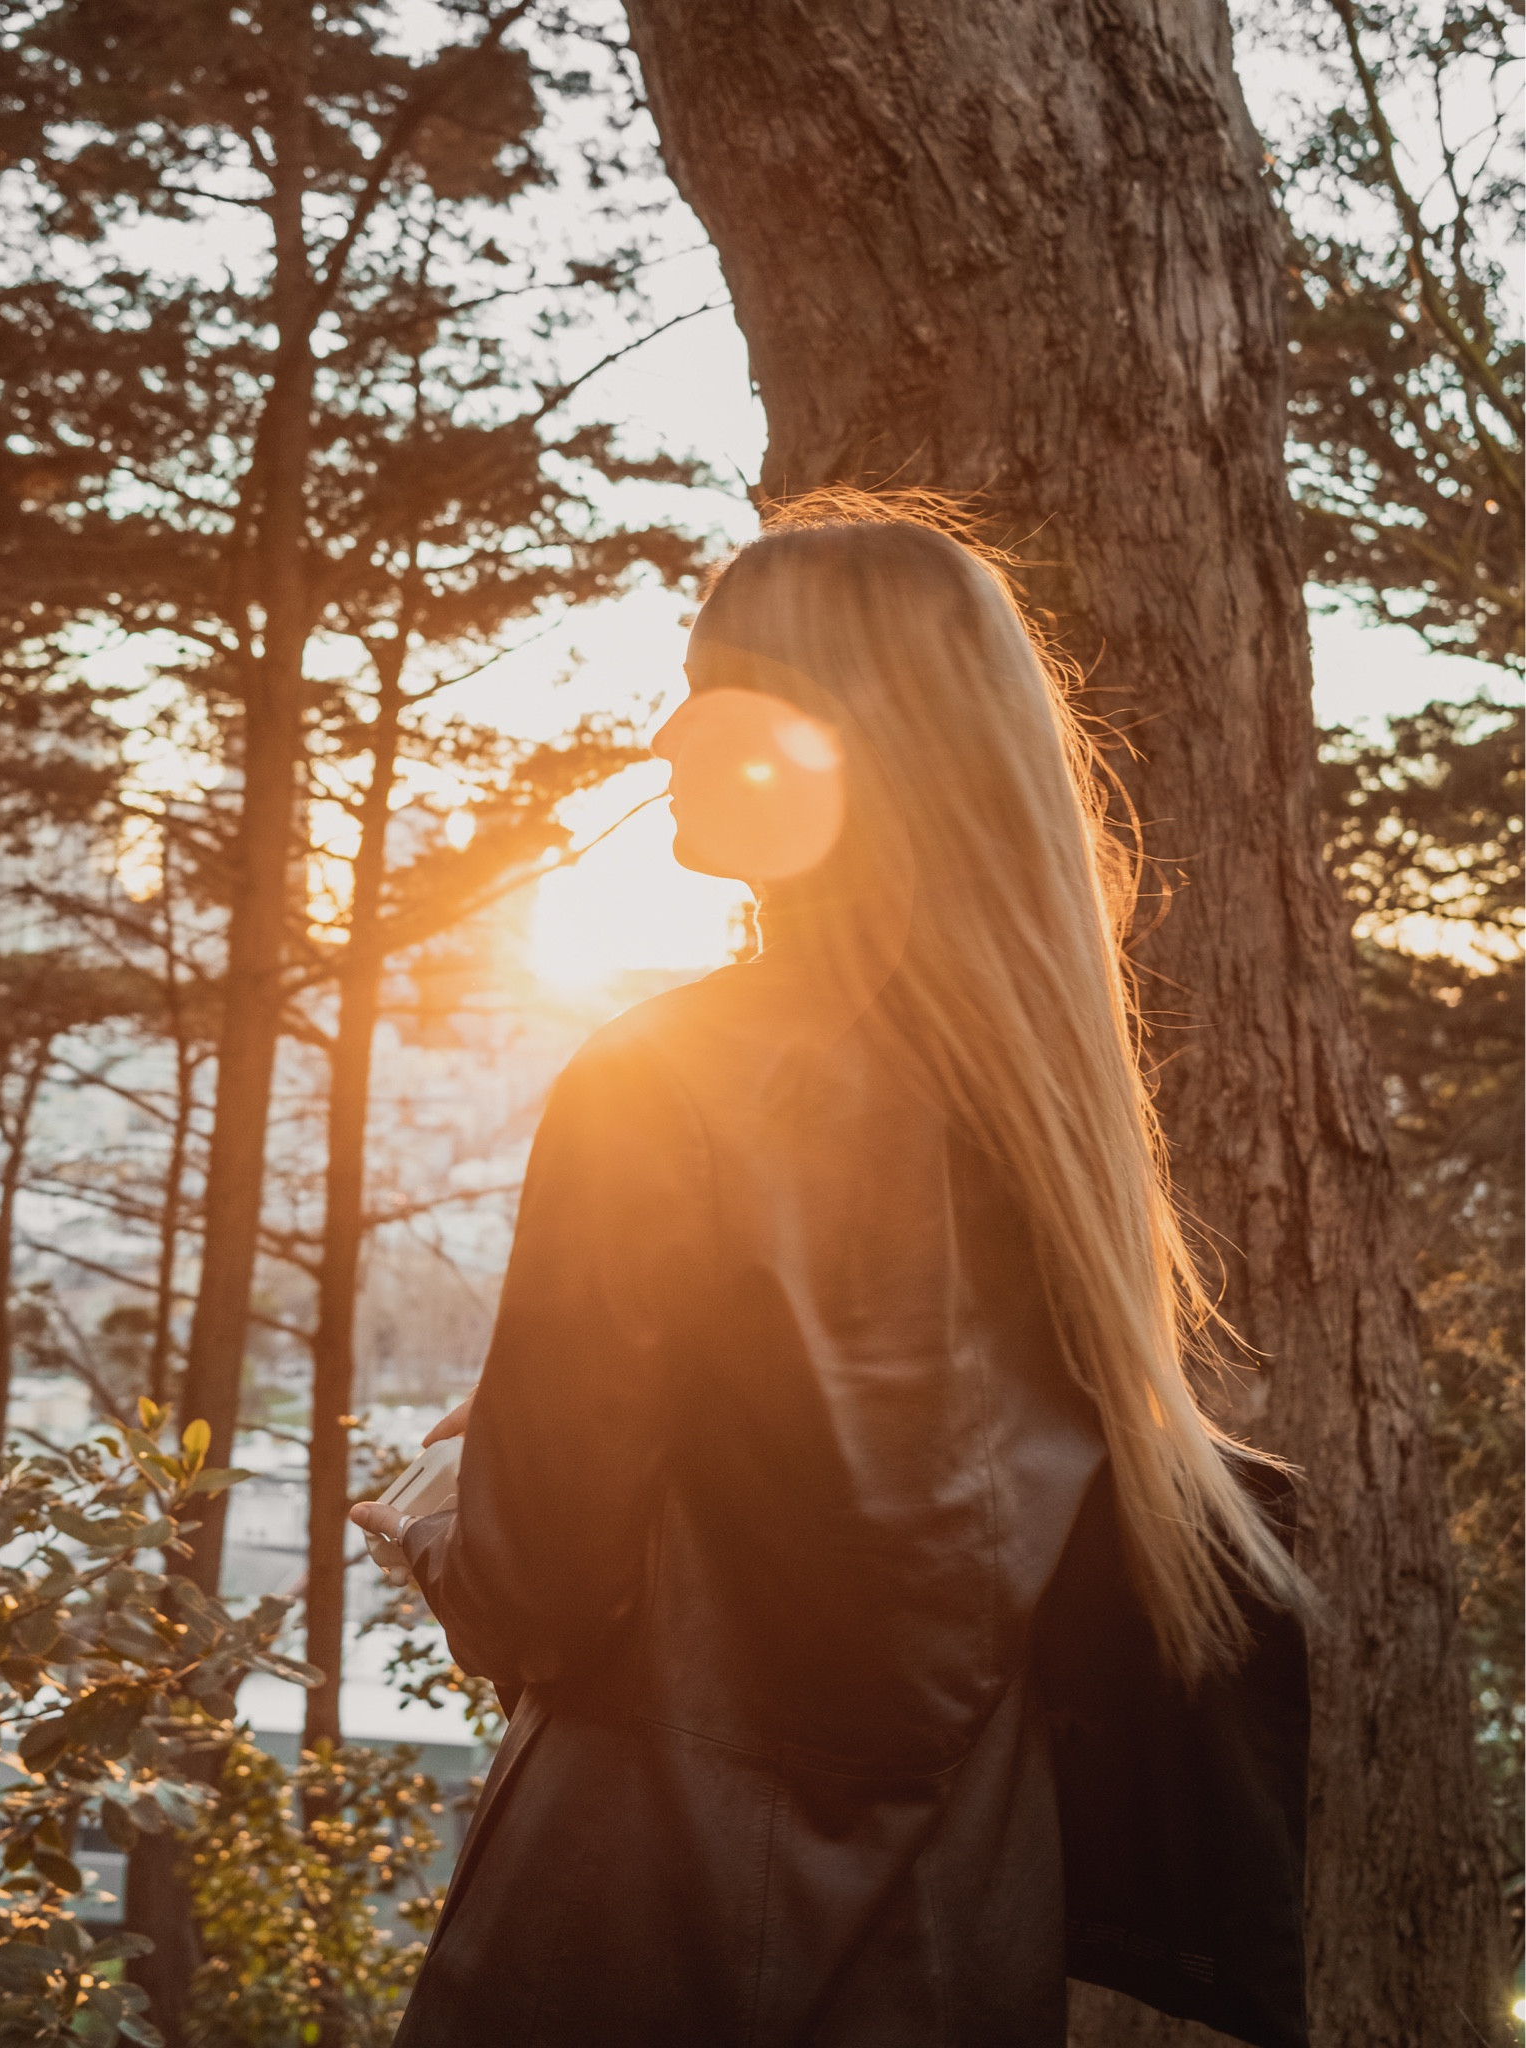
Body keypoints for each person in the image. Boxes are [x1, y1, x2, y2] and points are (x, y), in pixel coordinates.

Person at [352, 496, 1312, 2048]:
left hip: (637, 1914)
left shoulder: (664, 1079)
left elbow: (531, 1590)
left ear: (835, 740)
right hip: (963, 1923)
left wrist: (442, 1504)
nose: (667, 735)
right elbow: (913, 1533)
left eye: (717, 687)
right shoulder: (1047, 1103)